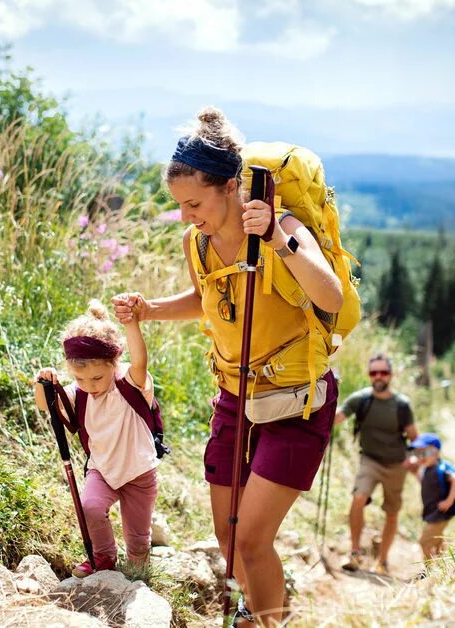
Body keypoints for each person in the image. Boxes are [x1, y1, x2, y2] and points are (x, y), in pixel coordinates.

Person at [112, 106, 343, 626]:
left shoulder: (281, 226)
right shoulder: (198, 241)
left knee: (254, 539)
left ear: (231, 187)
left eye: (194, 202)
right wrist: (151, 310)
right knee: (228, 536)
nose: (186, 214)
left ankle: (267, 621)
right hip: (235, 398)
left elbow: (328, 293)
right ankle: (256, 608)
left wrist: (279, 242)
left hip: (295, 401)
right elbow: (204, 298)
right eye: (179, 205)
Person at [33, 300, 159, 578]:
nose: (90, 386)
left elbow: (140, 360)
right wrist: (41, 383)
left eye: (97, 378)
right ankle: (104, 558)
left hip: (139, 472)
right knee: (90, 506)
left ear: (114, 363)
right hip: (102, 468)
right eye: (80, 378)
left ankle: (139, 570)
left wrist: (131, 324)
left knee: (137, 537)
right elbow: (46, 405)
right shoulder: (79, 393)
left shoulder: (129, 382)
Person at [333, 354, 418, 574]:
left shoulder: (401, 405)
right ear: (369, 375)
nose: (378, 377)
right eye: (374, 373)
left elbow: (414, 437)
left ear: (391, 375)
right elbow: (337, 417)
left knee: (391, 512)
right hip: (370, 460)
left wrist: (422, 462)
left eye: (383, 372)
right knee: (358, 497)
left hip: (397, 464)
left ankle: (383, 560)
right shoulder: (360, 400)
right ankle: (355, 553)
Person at [405, 433, 455, 559]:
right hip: (433, 512)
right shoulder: (428, 470)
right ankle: (442, 564)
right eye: (418, 453)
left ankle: (430, 570)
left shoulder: (441, 469)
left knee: (424, 542)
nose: (421, 457)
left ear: (436, 453)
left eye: (425, 453)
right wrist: (416, 473)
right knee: (438, 541)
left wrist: (449, 501)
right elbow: (427, 485)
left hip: (441, 513)